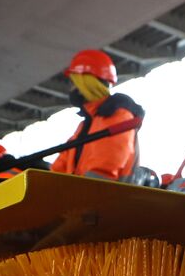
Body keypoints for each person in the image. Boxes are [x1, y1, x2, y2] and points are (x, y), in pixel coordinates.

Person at [50, 49, 144, 181]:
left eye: (73, 83)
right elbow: (58, 169)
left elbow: (102, 173)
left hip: (105, 199)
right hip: (82, 196)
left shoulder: (116, 115)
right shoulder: (85, 125)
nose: (71, 89)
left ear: (86, 83)